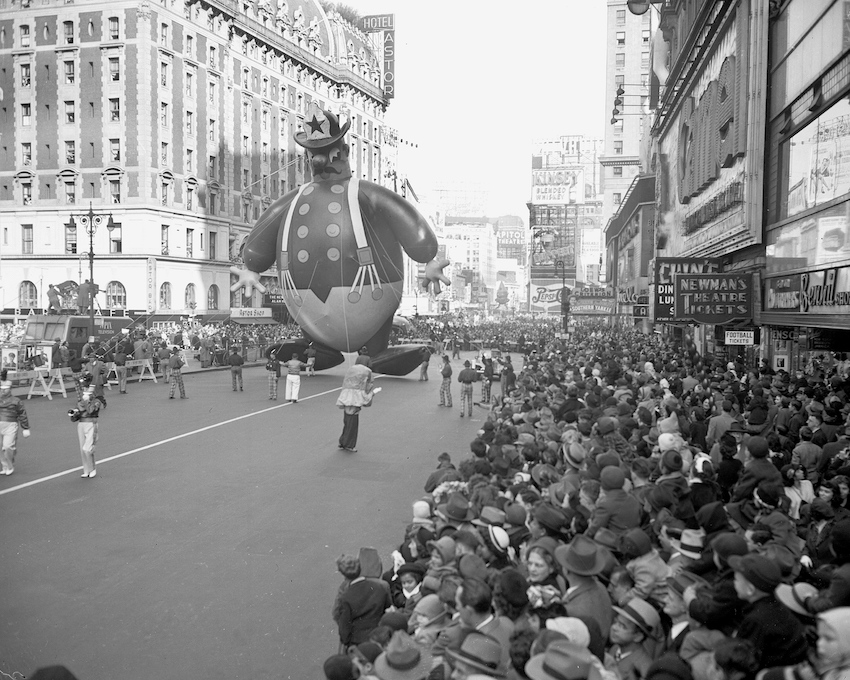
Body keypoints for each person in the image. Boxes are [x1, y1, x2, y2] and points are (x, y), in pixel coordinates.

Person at [336, 356, 375, 452]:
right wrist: (371, 394)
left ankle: (343, 441)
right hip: (356, 396)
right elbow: (369, 384)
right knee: (353, 423)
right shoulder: (367, 371)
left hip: (346, 395)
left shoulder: (351, 369)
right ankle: (350, 444)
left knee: (346, 421)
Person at [0, 379, 31, 476]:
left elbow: (22, 414)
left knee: (8, 446)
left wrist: (25, 428)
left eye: (5, 389)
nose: (3, 391)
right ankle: (5, 466)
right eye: (1, 389)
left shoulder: (16, 401)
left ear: (10, 389)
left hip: (11, 425)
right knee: (0, 447)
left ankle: (10, 465)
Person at [76, 385, 101, 478]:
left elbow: (91, 411)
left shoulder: (96, 402)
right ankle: (86, 470)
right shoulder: (81, 401)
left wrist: (86, 401)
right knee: (82, 448)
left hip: (91, 424)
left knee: (88, 448)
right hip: (81, 424)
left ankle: (92, 469)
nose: (85, 393)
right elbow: (78, 413)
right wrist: (74, 414)